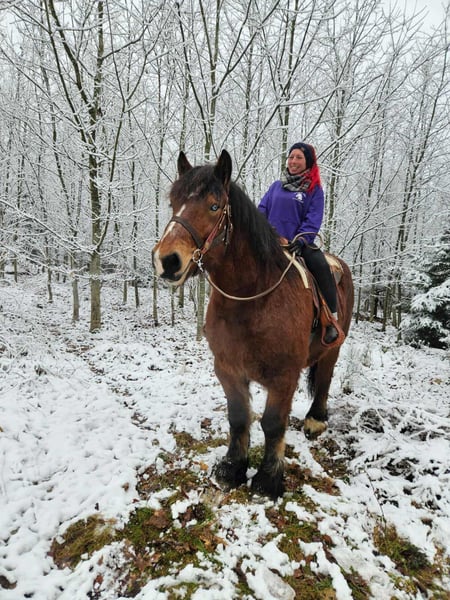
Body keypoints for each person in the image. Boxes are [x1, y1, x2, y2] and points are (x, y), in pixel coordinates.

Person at [258, 142, 341, 344]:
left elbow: (313, 220)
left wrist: (301, 240)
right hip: (270, 243)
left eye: (299, 157)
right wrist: (264, 233)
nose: (293, 161)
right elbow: (261, 211)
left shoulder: (314, 190)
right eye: (291, 157)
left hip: (298, 245)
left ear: (308, 162)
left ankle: (330, 319)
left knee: (320, 265)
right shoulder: (276, 186)